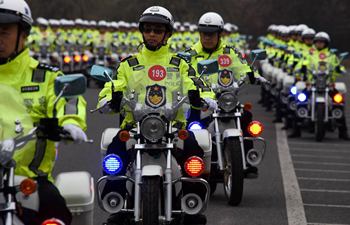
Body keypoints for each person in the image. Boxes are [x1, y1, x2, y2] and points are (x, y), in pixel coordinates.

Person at [98, 6, 210, 225]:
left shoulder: (179, 64)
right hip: (135, 129)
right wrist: (108, 98)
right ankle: (118, 202)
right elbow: (114, 85)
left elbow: (195, 84)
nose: (151, 34)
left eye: (157, 30)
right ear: (142, 32)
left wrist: (204, 96)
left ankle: (191, 203)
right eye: (148, 29)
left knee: (193, 150)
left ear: (167, 34)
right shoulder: (128, 64)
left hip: (173, 129)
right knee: (114, 152)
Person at [0, 0, 88, 224]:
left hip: (30, 180)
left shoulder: (45, 76)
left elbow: (69, 99)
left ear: (23, 34)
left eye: (4, 31)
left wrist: (70, 123)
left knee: (56, 213)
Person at [186, 12, 268, 178]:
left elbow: (243, 68)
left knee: (246, 117)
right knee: (190, 126)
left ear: (220, 33)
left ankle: (247, 158)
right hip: (202, 102)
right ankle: (191, 164)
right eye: (204, 33)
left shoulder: (230, 53)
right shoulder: (190, 55)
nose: (207, 37)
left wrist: (255, 76)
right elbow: (183, 75)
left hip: (226, 100)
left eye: (211, 34)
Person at [289, 31, 348, 139]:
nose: (320, 44)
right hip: (312, 84)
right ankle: (296, 130)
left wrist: (340, 69)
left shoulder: (331, 55)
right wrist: (299, 69)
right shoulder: (309, 54)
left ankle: (343, 132)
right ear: (315, 43)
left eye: (322, 42)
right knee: (300, 101)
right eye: (318, 42)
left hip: (328, 84)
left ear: (326, 43)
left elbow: (338, 66)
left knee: (339, 102)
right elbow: (299, 65)